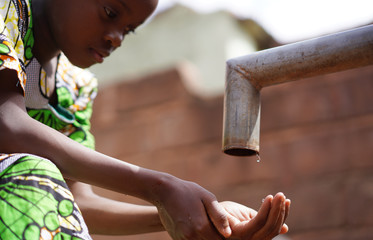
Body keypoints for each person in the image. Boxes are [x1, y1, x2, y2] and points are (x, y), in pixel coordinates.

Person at [0, 0, 291, 239]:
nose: (116, 38)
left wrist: (189, 213)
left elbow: (76, 201)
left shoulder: (73, 88)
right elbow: (7, 124)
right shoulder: (7, 11)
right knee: (34, 168)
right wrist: (160, 187)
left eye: (130, 30)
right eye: (110, 13)